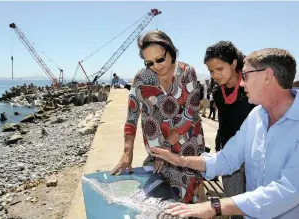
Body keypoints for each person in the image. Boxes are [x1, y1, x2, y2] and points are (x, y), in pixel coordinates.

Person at [149, 48, 299, 219]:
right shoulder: (257, 116)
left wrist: (214, 207)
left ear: (267, 76)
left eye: (246, 76)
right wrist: (181, 160)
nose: (242, 83)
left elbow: (287, 191)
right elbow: (227, 159)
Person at [111, 30, 206, 204]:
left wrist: (167, 146)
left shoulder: (187, 73)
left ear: (171, 52)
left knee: (186, 196)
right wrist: (127, 152)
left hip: (186, 146)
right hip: (157, 150)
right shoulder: (142, 77)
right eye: (149, 62)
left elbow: (189, 115)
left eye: (160, 59)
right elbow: (132, 115)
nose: (155, 66)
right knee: (161, 197)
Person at [204, 41, 256, 215]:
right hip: (229, 155)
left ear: (234, 63)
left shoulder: (251, 88)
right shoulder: (218, 93)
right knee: (233, 203)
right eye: (211, 71)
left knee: (254, 202)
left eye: (219, 69)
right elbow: (223, 122)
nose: (215, 75)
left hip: (253, 154)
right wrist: (220, 146)